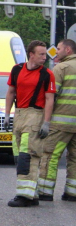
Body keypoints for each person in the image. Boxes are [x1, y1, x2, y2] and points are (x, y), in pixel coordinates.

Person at [5, 40, 55, 207]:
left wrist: (46, 122)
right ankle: (31, 194)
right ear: (31, 55)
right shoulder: (17, 69)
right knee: (19, 154)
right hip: (19, 114)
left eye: (45, 54)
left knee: (28, 154)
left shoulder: (47, 74)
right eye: (41, 54)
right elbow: (11, 92)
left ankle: (24, 196)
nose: (44, 57)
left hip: (35, 114)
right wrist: (7, 114)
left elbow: (49, 99)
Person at [38, 38, 76, 202]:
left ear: (68, 50)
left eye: (58, 49)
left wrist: (44, 120)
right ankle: (72, 193)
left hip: (61, 124)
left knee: (50, 155)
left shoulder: (61, 68)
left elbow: (51, 96)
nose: (56, 51)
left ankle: (45, 191)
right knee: (74, 158)